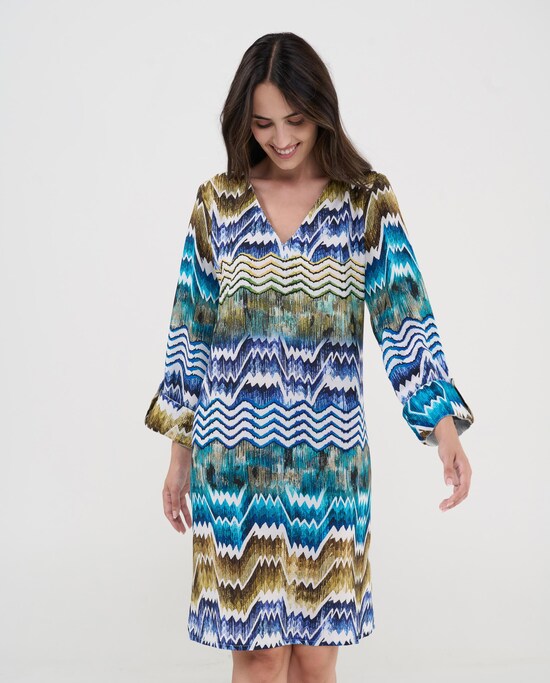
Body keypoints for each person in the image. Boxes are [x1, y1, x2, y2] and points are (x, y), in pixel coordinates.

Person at [144, 31, 474, 683]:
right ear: (244, 121)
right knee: (259, 658)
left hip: (330, 467)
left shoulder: (364, 201)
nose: (281, 138)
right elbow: (190, 331)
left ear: (321, 110)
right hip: (233, 467)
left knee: (317, 660)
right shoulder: (219, 203)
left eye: (294, 120)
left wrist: (443, 429)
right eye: (263, 123)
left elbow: (404, 317)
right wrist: (179, 457)